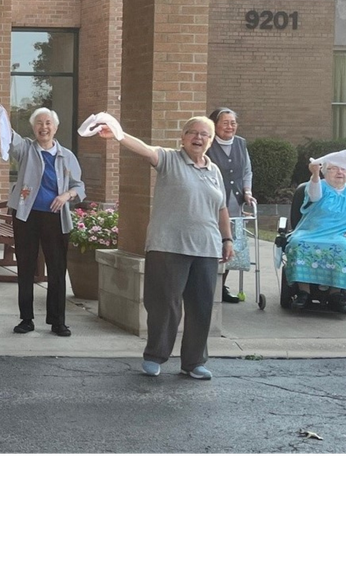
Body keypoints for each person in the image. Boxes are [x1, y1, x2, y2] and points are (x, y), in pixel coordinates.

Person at [95, 115, 231, 380]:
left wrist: (227, 239)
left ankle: (194, 362)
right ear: (183, 137)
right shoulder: (169, 159)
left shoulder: (214, 171)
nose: (198, 138)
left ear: (211, 141)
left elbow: (222, 208)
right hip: (168, 245)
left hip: (206, 248)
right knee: (165, 305)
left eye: (204, 134)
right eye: (192, 132)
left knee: (202, 307)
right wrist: (118, 134)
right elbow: (145, 149)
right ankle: (155, 356)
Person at [0, 106, 85, 338]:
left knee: (57, 269)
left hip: (55, 218)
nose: (43, 127)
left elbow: (79, 186)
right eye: (39, 123)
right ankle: (26, 319)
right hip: (26, 216)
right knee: (25, 267)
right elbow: (10, 139)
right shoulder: (26, 149)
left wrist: (66, 195)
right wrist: (4, 117)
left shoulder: (67, 156)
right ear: (33, 127)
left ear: (55, 128)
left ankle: (58, 321)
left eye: (48, 123)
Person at [284, 160, 346, 313]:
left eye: (343, 168)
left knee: (343, 247)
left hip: (342, 235)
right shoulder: (318, 185)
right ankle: (304, 292)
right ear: (324, 172)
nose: (340, 172)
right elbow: (314, 196)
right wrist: (315, 174)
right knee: (298, 243)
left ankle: (335, 294)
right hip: (312, 232)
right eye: (333, 169)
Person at [207, 107, 255, 303]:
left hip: (235, 203)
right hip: (213, 202)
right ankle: (208, 285)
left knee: (230, 244)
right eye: (225, 123)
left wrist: (247, 191)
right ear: (215, 125)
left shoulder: (241, 143)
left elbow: (247, 171)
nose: (230, 127)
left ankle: (221, 286)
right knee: (213, 242)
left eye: (233, 123)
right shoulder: (208, 143)